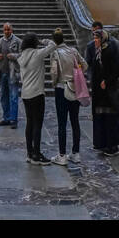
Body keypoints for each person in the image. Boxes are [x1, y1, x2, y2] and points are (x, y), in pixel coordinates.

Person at [14, 32, 55, 165]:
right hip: (37, 93)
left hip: (25, 94)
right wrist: (43, 41)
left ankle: (29, 153)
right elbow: (53, 45)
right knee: (38, 124)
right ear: (34, 43)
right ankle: (37, 154)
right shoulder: (37, 54)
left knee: (30, 123)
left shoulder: (21, 57)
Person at [85, 23, 119, 156]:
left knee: (110, 117)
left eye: (97, 38)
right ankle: (101, 142)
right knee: (100, 116)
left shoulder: (110, 51)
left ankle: (112, 145)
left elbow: (117, 69)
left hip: (109, 91)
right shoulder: (97, 51)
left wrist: (107, 81)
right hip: (99, 92)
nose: (94, 41)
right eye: (94, 38)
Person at [48, 28, 82, 164]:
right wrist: (76, 75)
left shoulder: (55, 53)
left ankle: (62, 155)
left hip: (62, 89)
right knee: (75, 121)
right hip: (74, 88)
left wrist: (54, 83)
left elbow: (54, 72)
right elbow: (83, 65)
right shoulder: (73, 51)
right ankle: (76, 153)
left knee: (62, 122)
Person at [0, 22, 21, 128]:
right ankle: (6, 118)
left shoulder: (18, 41)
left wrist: (14, 56)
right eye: (5, 30)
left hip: (13, 73)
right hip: (3, 72)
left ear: (12, 30)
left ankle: (13, 119)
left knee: (14, 97)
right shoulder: (0, 41)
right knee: (3, 96)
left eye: (8, 29)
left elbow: (23, 54)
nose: (7, 31)